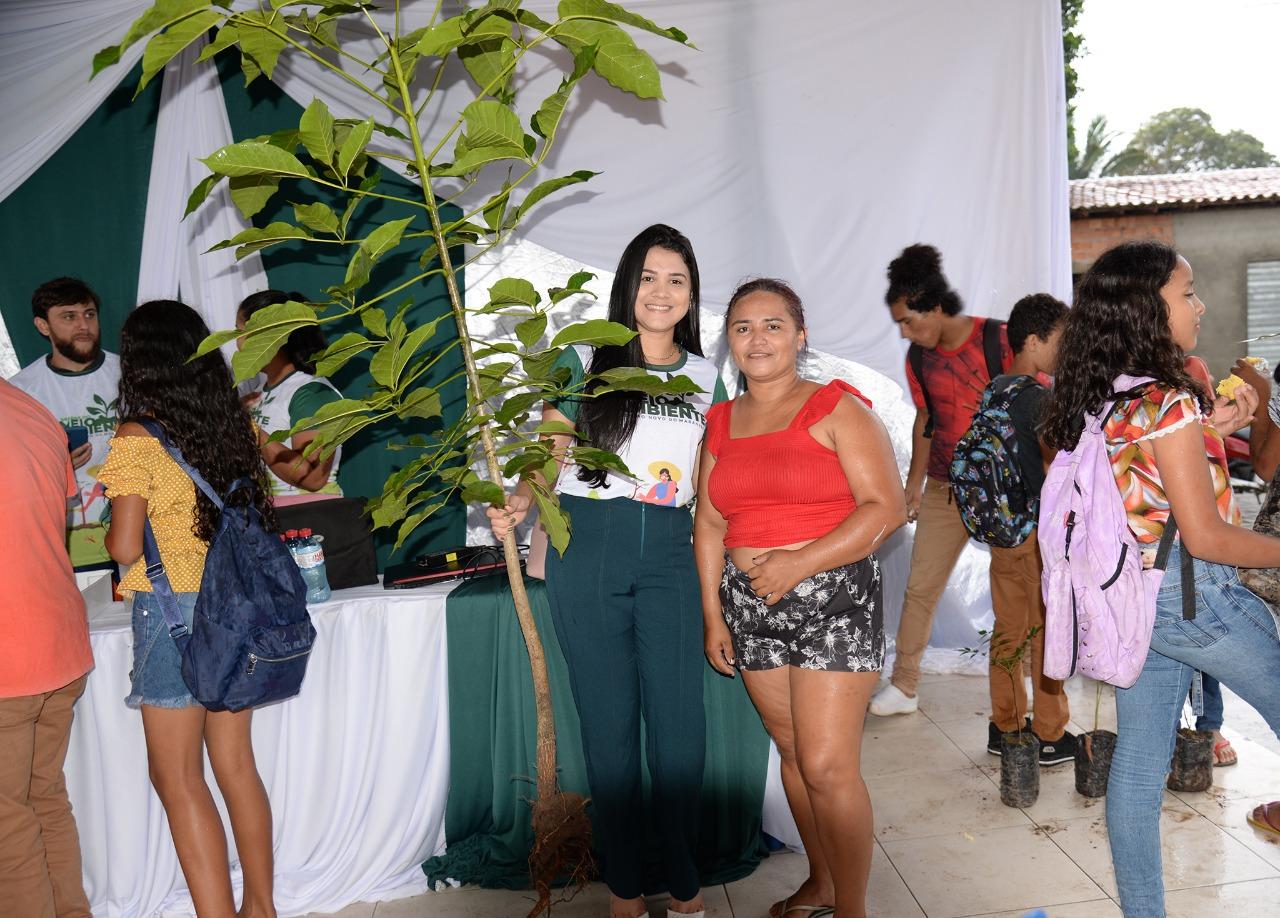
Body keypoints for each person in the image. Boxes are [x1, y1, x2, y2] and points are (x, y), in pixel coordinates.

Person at [485, 225, 726, 918]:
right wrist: (522, 498)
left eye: (676, 280)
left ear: (691, 294)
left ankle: (682, 883)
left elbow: (711, 485)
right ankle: (624, 888)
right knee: (609, 729)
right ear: (627, 284)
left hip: (671, 554)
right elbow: (549, 446)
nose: (662, 292)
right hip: (586, 549)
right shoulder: (581, 357)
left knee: (680, 729)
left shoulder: (708, 377)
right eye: (649, 277)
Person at [1040, 241, 1280, 916]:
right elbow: (1205, 536)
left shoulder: (1105, 393)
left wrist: (1211, 425)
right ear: (1148, 308)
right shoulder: (1167, 401)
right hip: (1196, 602)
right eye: (1187, 293)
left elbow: (1141, 477)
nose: (1198, 305)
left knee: (1140, 772)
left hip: (1135, 604)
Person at [696, 278, 906, 918]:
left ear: (800, 335)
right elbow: (708, 524)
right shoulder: (721, 421)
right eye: (743, 328)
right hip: (749, 604)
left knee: (827, 765)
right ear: (729, 342)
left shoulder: (838, 408)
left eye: (773, 325)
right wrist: (714, 615)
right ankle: (822, 881)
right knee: (792, 756)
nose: (757, 338)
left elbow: (888, 507)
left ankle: (853, 908)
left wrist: (798, 563)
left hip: (833, 597)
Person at [97, 301, 279, 918]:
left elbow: (123, 546)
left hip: (173, 612)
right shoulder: (232, 423)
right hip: (239, 603)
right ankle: (261, 908)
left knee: (178, 779)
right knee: (235, 767)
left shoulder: (135, 438)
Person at [870, 245, 1012, 716]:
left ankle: (1029, 685)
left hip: (1004, 490)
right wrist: (913, 486)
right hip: (945, 488)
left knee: (1016, 586)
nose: (906, 333)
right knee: (920, 586)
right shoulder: (918, 358)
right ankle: (905, 685)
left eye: (909, 321)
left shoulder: (1000, 340)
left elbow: (1032, 410)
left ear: (934, 307)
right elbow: (926, 419)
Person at [0, 378, 94, 918]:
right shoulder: (34, 410)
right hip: (56, 642)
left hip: (10, 659)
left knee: (8, 820)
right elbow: (54, 529)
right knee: (43, 800)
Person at [981, 293, 1076, 764]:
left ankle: (1006, 726)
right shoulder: (1038, 398)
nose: (1065, 349)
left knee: (1008, 631)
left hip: (1003, 533)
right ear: (1035, 341)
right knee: (1045, 632)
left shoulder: (996, 388)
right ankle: (1050, 733)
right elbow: (1058, 462)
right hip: (1035, 537)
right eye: (1061, 340)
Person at [9, 277, 121, 574]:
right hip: (63, 547)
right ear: (43, 326)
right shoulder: (21, 391)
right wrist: (55, 468)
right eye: (69, 317)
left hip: (132, 538)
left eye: (89, 314)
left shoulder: (130, 373)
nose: (83, 325)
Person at [237, 290, 343, 505]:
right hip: (266, 520)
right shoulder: (257, 392)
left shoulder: (312, 393)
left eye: (241, 332)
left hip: (307, 523)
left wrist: (250, 428)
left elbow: (313, 477)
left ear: (271, 337)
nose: (237, 343)